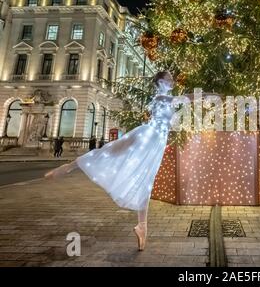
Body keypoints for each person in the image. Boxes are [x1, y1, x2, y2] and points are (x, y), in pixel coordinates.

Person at [45, 71, 176, 251]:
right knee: (108, 152)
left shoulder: (165, 98)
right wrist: (206, 95)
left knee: (145, 182)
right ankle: (68, 167)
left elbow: (173, 116)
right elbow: (186, 99)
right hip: (147, 136)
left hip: (157, 143)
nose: (172, 80)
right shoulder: (161, 97)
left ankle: (142, 227)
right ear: (161, 81)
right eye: (169, 78)